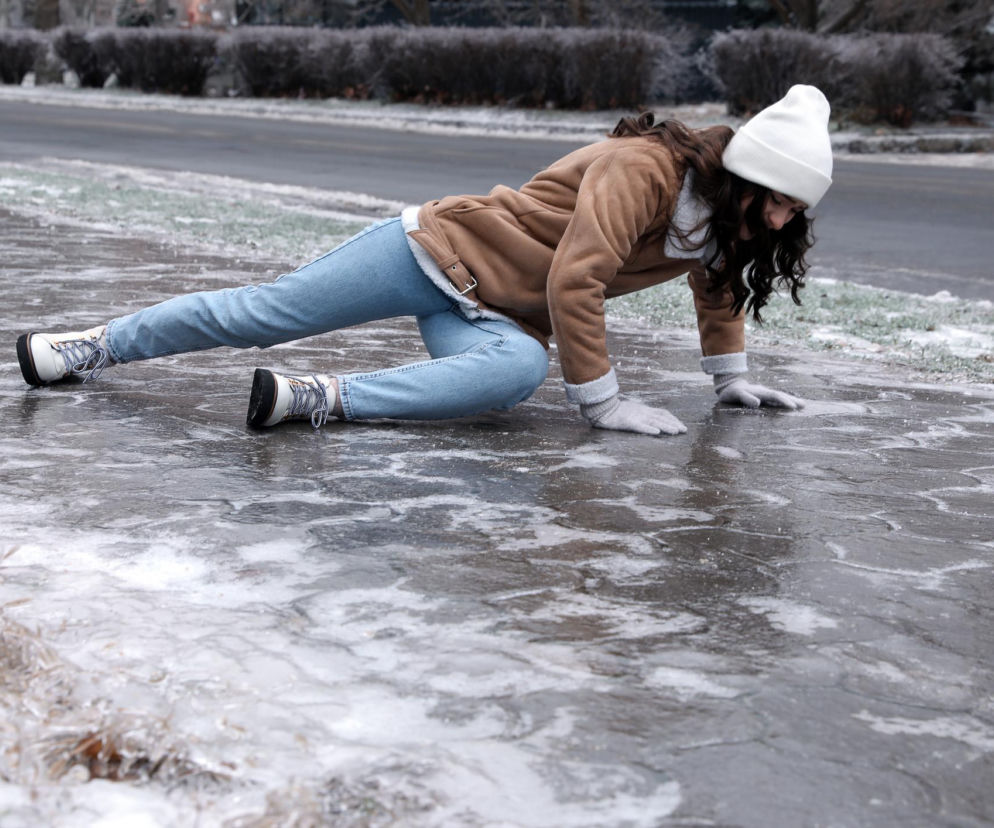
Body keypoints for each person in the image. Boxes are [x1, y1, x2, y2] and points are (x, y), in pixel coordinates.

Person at [16, 84, 833, 437]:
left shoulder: (727, 220)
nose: (784, 217)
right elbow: (577, 277)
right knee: (262, 315)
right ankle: (90, 346)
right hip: (433, 250)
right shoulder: (645, 170)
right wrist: (604, 404)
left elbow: (718, 282)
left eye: (798, 208)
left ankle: (316, 400)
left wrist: (729, 380)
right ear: (743, 176)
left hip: (495, 313)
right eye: (780, 199)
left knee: (512, 376)